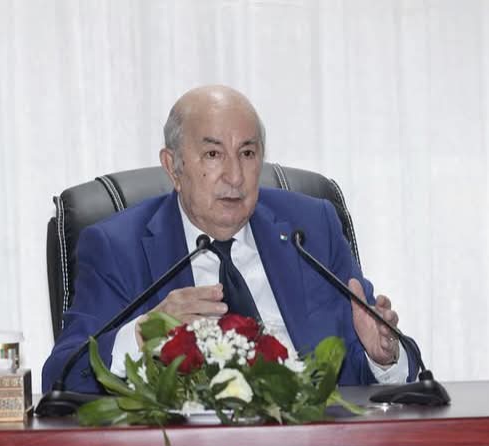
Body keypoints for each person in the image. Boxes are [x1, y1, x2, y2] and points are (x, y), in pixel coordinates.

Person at [42, 85, 418, 393]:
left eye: (247, 153)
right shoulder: (117, 247)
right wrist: (143, 335)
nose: (235, 176)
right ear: (173, 167)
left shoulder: (312, 229)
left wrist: (383, 356)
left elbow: (372, 364)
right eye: (213, 154)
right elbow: (62, 375)